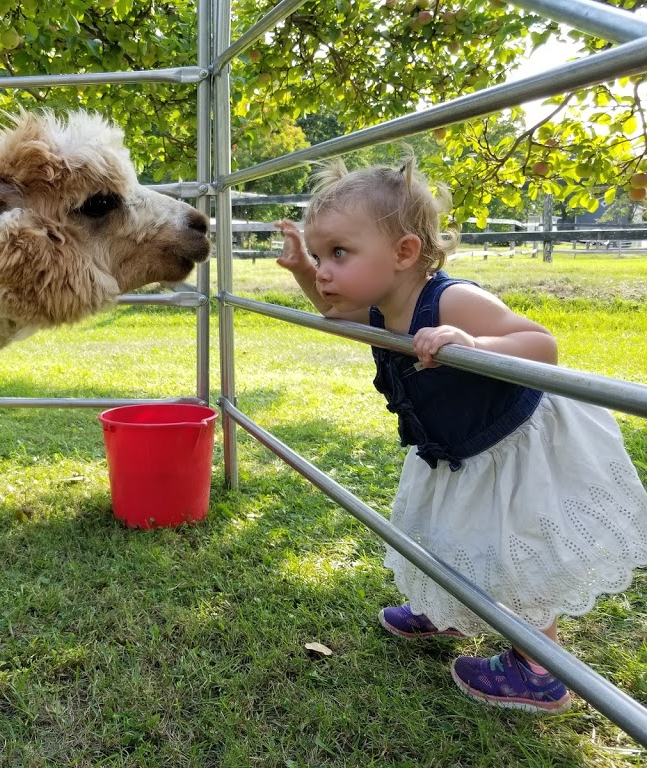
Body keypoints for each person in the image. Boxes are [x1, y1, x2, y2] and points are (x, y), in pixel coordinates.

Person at [274, 156, 647, 713]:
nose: (325, 271)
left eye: (338, 254)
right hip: (457, 448)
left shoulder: (452, 300)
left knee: (519, 550)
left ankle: (540, 668)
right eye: (321, 255)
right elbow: (333, 311)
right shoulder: (377, 304)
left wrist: (473, 345)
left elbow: (541, 344)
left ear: (403, 253)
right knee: (446, 533)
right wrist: (304, 268)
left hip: (515, 448)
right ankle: (449, 611)